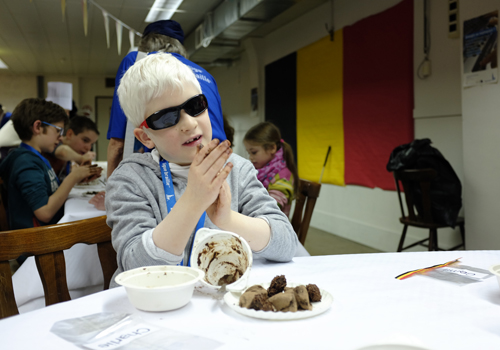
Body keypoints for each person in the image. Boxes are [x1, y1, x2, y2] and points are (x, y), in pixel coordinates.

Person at [105, 53, 297, 285]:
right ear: (146, 137)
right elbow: (136, 267)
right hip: (155, 308)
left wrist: (227, 218)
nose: (189, 123)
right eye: (166, 118)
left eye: (195, 106)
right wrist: (193, 201)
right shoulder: (130, 179)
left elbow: (287, 244)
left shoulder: (236, 169)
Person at [106, 19, 226, 179]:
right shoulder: (206, 74)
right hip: (219, 163)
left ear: (145, 44)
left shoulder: (136, 62)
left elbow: (118, 143)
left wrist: (111, 189)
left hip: (171, 172)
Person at [0, 98, 100, 231]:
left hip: (45, 231)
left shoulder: (35, 157)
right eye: (58, 130)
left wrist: (78, 177)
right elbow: (45, 213)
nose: (60, 138)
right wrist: (73, 177)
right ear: (38, 127)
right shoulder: (26, 163)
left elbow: (49, 191)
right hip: (37, 240)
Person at [243, 122, 299, 216]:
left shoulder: (283, 177)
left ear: (272, 148)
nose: (250, 157)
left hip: (272, 225)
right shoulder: (261, 171)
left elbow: (270, 208)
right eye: (249, 153)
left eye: (254, 152)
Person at [43, 116, 101, 181]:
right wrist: (81, 159)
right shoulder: (55, 142)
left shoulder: (70, 157)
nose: (88, 148)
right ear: (69, 134)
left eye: (91, 144)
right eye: (85, 140)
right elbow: (63, 152)